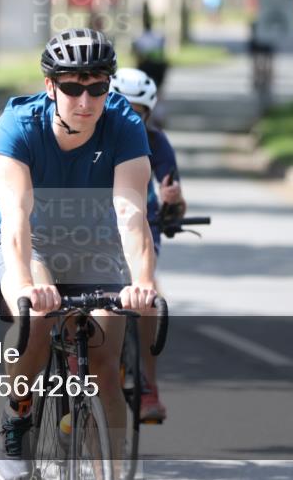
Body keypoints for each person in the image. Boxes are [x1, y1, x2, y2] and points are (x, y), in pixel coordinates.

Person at [0, 28, 158, 480]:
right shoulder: (18, 125)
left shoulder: (124, 124)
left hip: (97, 243)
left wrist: (143, 282)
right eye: (72, 87)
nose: (86, 101)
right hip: (32, 241)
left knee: (104, 364)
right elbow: (17, 217)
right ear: (50, 86)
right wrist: (27, 285)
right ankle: (18, 413)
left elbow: (130, 212)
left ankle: (112, 473)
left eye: (97, 88)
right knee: (36, 320)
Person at [109, 67, 187, 423]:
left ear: (148, 113)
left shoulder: (156, 143)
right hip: (96, 227)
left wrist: (173, 201)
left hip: (143, 227)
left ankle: (147, 384)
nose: (128, 117)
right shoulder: (92, 136)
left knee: (147, 293)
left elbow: (177, 204)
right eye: (120, 107)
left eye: (137, 112)